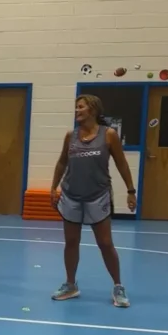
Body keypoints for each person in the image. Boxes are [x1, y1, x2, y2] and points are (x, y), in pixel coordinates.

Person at [49, 94, 136, 308]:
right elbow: (62, 163)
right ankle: (71, 285)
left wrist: (131, 190)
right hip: (71, 195)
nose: (77, 111)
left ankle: (118, 286)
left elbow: (122, 164)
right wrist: (54, 187)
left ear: (93, 110)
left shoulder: (109, 135)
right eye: (76, 107)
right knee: (71, 242)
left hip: (98, 196)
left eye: (81, 107)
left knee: (105, 243)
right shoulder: (71, 136)